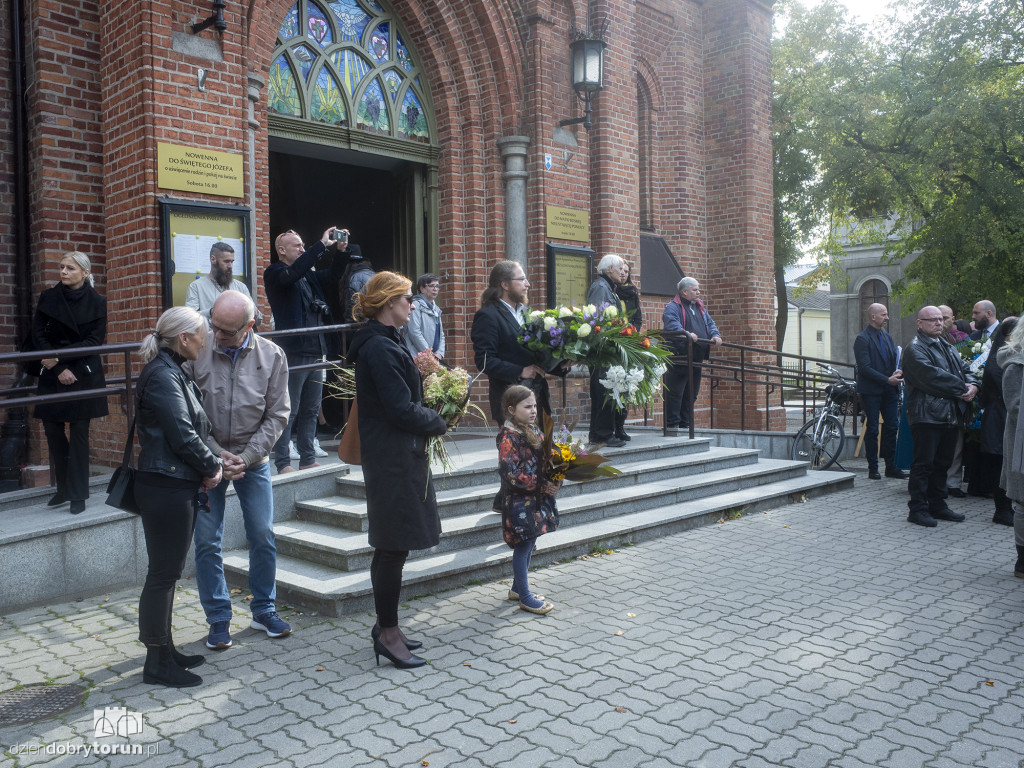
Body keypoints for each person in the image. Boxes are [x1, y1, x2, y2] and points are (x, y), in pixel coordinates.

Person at [346, 271, 447, 669]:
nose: (413, 304)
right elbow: (399, 408)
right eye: (408, 298)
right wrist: (438, 421)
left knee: (394, 547)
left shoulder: (388, 340)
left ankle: (388, 626)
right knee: (391, 549)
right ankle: (387, 633)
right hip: (391, 458)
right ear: (390, 303)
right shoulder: (380, 348)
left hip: (397, 455)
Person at [184, 291, 292, 650]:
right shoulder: (198, 348)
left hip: (254, 462)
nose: (216, 333)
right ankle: (218, 618)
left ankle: (263, 609)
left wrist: (246, 457)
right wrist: (214, 453)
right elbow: (185, 410)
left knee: (262, 534)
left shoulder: (272, 355)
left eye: (226, 330)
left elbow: (277, 415)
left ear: (249, 325)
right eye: (212, 324)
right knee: (206, 540)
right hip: (205, 461)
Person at [134, 307, 223, 688]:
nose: (206, 340)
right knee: (163, 575)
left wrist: (211, 461)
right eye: (202, 334)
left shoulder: (171, 371)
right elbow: (182, 434)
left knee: (167, 573)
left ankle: (165, 649)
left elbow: (191, 430)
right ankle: (156, 662)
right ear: (184, 338)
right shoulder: (162, 375)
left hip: (172, 484)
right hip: (166, 486)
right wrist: (212, 467)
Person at [264, 226, 349, 474]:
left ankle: (307, 457)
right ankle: (282, 462)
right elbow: (291, 274)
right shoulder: (275, 272)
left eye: (304, 246)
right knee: (289, 408)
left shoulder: (307, 274)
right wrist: (320, 245)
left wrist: (340, 252)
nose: (302, 249)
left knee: (311, 408)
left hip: (316, 347)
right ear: (282, 250)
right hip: (294, 350)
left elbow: (332, 277)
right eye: (297, 246)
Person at [32, 252, 108, 515]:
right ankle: (64, 487)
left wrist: (60, 359)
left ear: (85, 273)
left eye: (70, 268)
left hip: (83, 372)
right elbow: (38, 335)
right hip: (53, 372)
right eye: (61, 267)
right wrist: (57, 366)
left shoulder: (98, 302)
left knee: (79, 433)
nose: (63, 272)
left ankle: (77, 494)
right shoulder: (48, 298)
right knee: (52, 430)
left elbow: (93, 343)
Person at [901, 306, 980, 527]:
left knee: (942, 463)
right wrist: (963, 388)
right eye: (932, 320)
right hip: (927, 415)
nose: (938, 323)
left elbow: (967, 368)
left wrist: (973, 385)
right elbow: (933, 377)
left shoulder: (946, 345)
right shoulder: (915, 349)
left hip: (949, 414)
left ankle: (938, 505)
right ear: (920, 323)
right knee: (923, 464)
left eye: (941, 319)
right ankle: (917, 509)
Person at [471, 260, 566, 425]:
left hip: (538, 397)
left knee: (542, 449)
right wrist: (520, 371)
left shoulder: (526, 313)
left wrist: (560, 364)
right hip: (511, 401)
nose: (527, 284)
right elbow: (484, 361)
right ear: (505, 285)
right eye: (521, 279)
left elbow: (535, 355)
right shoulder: (488, 316)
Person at [497, 384, 560, 616]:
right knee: (523, 545)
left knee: (531, 541)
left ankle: (516, 589)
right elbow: (511, 473)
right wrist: (542, 484)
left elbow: (548, 459)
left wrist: (556, 478)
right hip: (519, 503)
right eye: (527, 406)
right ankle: (525, 597)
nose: (533, 410)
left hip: (536, 500)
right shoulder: (508, 437)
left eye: (534, 405)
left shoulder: (534, 430)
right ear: (512, 409)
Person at [853, 303, 906, 480]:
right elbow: (865, 368)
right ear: (873, 316)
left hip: (890, 390)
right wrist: (886, 379)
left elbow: (894, 359)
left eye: (887, 314)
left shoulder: (887, 337)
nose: (887, 317)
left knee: (892, 427)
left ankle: (891, 467)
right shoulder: (862, 339)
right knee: (873, 428)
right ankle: (873, 468)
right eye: (883, 314)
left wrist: (898, 370)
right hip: (872, 391)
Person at [662, 277, 723, 430]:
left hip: (696, 357)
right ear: (684, 291)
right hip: (679, 357)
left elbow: (709, 323)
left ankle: (686, 424)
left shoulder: (699, 307)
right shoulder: (672, 307)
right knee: (676, 393)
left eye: (698, 289)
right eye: (695, 290)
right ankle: (672, 426)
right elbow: (672, 325)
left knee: (692, 394)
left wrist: (715, 335)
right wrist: (686, 333)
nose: (698, 292)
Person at [976, 317, 1017, 525]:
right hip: (999, 416)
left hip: (1002, 415)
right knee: (1001, 462)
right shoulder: (1001, 358)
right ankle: (1002, 510)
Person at [585, 254, 629, 447]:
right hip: (602, 350)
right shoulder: (601, 287)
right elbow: (597, 319)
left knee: (606, 390)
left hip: (607, 349)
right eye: (620, 268)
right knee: (603, 391)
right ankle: (603, 434)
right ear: (610, 268)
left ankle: (598, 434)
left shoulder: (608, 287)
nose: (622, 272)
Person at [997, 319, 1024, 577]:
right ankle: (1022, 560)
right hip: (1021, 445)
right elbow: (1016, 408)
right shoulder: (1016, 366)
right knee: (1023, 502)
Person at [184, 242, 263, 327]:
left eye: (232, 262)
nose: (230, 266)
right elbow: (189, 320)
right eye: (226, 261)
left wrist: (252, 312)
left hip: (237, 338)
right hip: (209, 338)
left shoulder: (240, 287)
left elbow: (259, 320)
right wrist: (211, 312)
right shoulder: (196, 287)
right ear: (213, 259)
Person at [613, 262, 643, 442]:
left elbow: (637, 317)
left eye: (626, 271)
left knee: (626, 385)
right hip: (614, 340)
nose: (623, 274)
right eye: (621, 271)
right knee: (614, 383)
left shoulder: (632, 292)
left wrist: (633, 331)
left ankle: (620, 426)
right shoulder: (610, 291)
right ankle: (612, 426)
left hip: (629, 341)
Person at [403, 273, 446, 360]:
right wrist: (429, 354)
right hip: (416, 357)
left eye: (437, 286)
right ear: (422, 289)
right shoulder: (415, 305)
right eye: (431, 286)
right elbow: (414, 332)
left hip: (432, 358)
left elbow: (441, 334)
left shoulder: (436, 309)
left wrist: (440, 353)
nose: (435, 289)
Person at [338, 244, 375, 322]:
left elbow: (352, 314)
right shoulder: (373, 274)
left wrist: (349, 332)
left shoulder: (353, 279)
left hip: (363, 328)